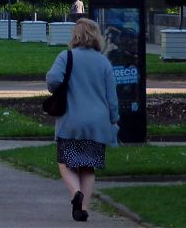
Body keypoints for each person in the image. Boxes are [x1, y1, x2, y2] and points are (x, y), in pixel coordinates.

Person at [48, 19, 121, 222]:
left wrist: (61, 87)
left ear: (76, 35)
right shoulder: (103, 62)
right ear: (96, 36)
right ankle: (83, 208)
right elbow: (111, 96)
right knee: (88, 166)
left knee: (65, 162)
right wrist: (114, 118)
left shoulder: (66, 57)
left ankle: (75, 193)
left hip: (71, 121)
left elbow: (53, 80)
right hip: (97, 123)